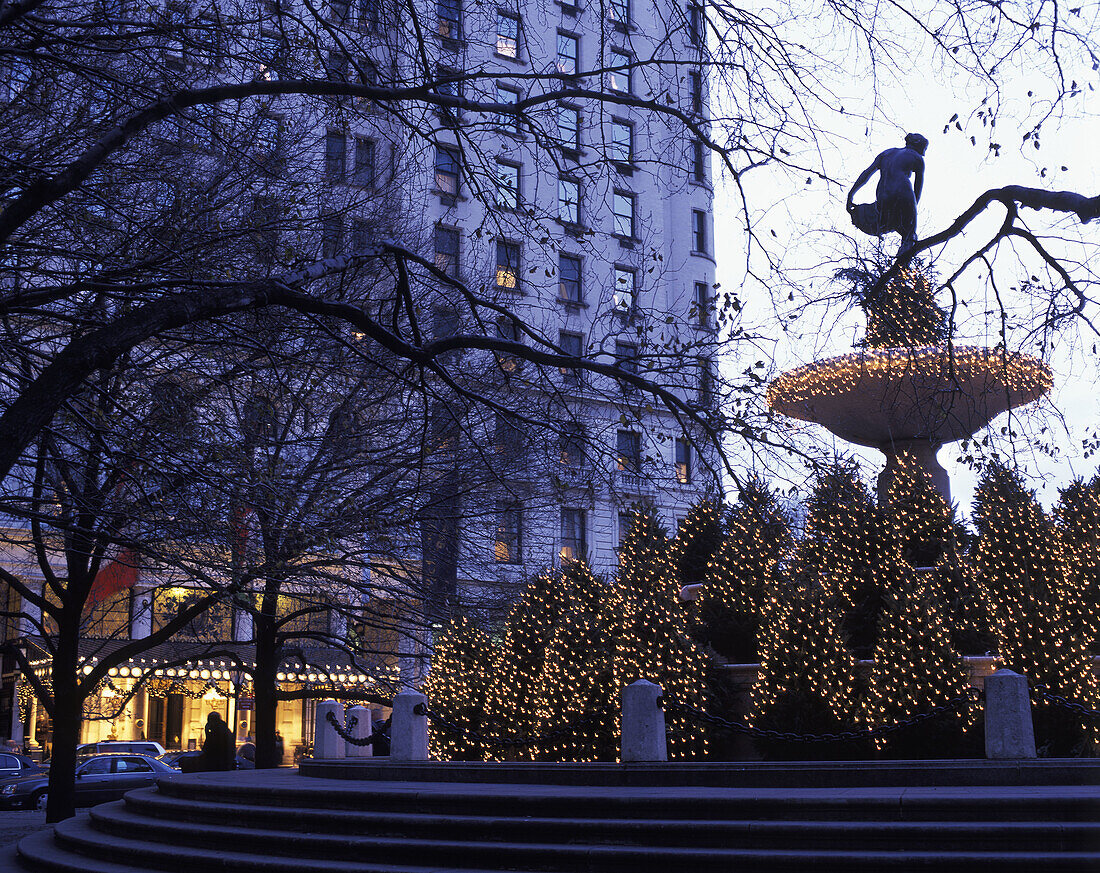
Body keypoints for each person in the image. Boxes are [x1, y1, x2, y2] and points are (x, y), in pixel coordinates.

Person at [846, 133, 928, 252]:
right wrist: (913, 209)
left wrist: (851, 194)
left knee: (893, 223)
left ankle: (900, 261)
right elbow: (918, 187)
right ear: (918, 144)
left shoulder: (887, 153)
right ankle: (903, 263)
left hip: (883, 195)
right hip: (903, 193)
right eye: (924, 148)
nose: (924, 152)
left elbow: (866, 174)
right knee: (909, 235)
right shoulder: (917, 158)